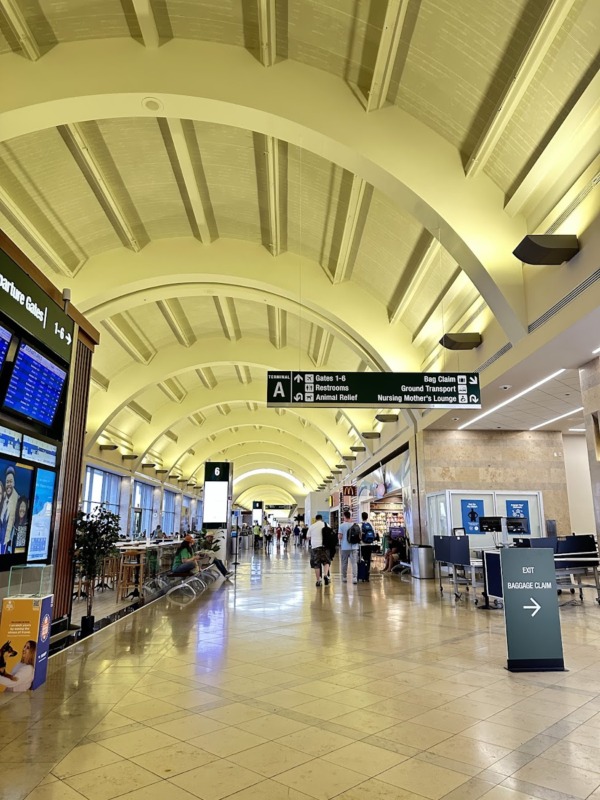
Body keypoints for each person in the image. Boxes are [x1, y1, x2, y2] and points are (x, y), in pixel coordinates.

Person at [0, 467, 19, 556]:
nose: (9, 484)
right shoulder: (2, 497)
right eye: (7, 482)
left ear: (14, 483)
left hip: (7, 543)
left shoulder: (18, 501)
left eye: (11, 481)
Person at [308, 514, 330, 587]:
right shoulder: (326, 524)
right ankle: (326, 575)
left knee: (316, 564)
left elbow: (308, 537)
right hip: (325, 546)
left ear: (316, 519)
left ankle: (318, 580)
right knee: (326, 561)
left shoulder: (312, 526)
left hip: (315, 547)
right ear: (321, 518)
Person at [338, 509, 359, 584]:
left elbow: (340, 536)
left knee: (344, 562)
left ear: (344, 517)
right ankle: (355, 578)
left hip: (345, 547)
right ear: (350, 516)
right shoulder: (355, 525)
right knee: (354, 563)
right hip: (354, 547)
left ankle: (344, 577)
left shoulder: (341, 526)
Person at [360, 512, 377, 579]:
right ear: (367, 517)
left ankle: (363, 573)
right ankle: (367, 573)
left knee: (362, 559)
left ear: (362, 517)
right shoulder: (371, 525)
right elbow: (374, 535)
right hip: (369, 545)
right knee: (368, 559)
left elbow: (359, 536)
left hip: (362, 545)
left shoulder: (361, 525)